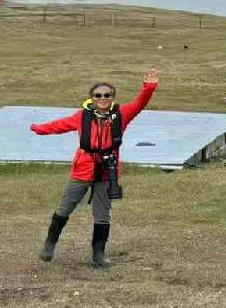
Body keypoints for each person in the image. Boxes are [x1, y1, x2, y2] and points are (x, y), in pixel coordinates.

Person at [30, 70, 159, 268]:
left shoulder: (121, 115)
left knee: (102, 215)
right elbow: (59, 126)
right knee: (64, 208)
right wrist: (37, 129)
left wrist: (149, 87)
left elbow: (139, 103)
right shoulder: (81, 116)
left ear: (112, 98)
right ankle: (49, 245)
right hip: (81, 171)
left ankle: (99, 255)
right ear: (92, 98)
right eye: (98, 95)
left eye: (107, 95)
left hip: (107, 173)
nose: (102, 98)